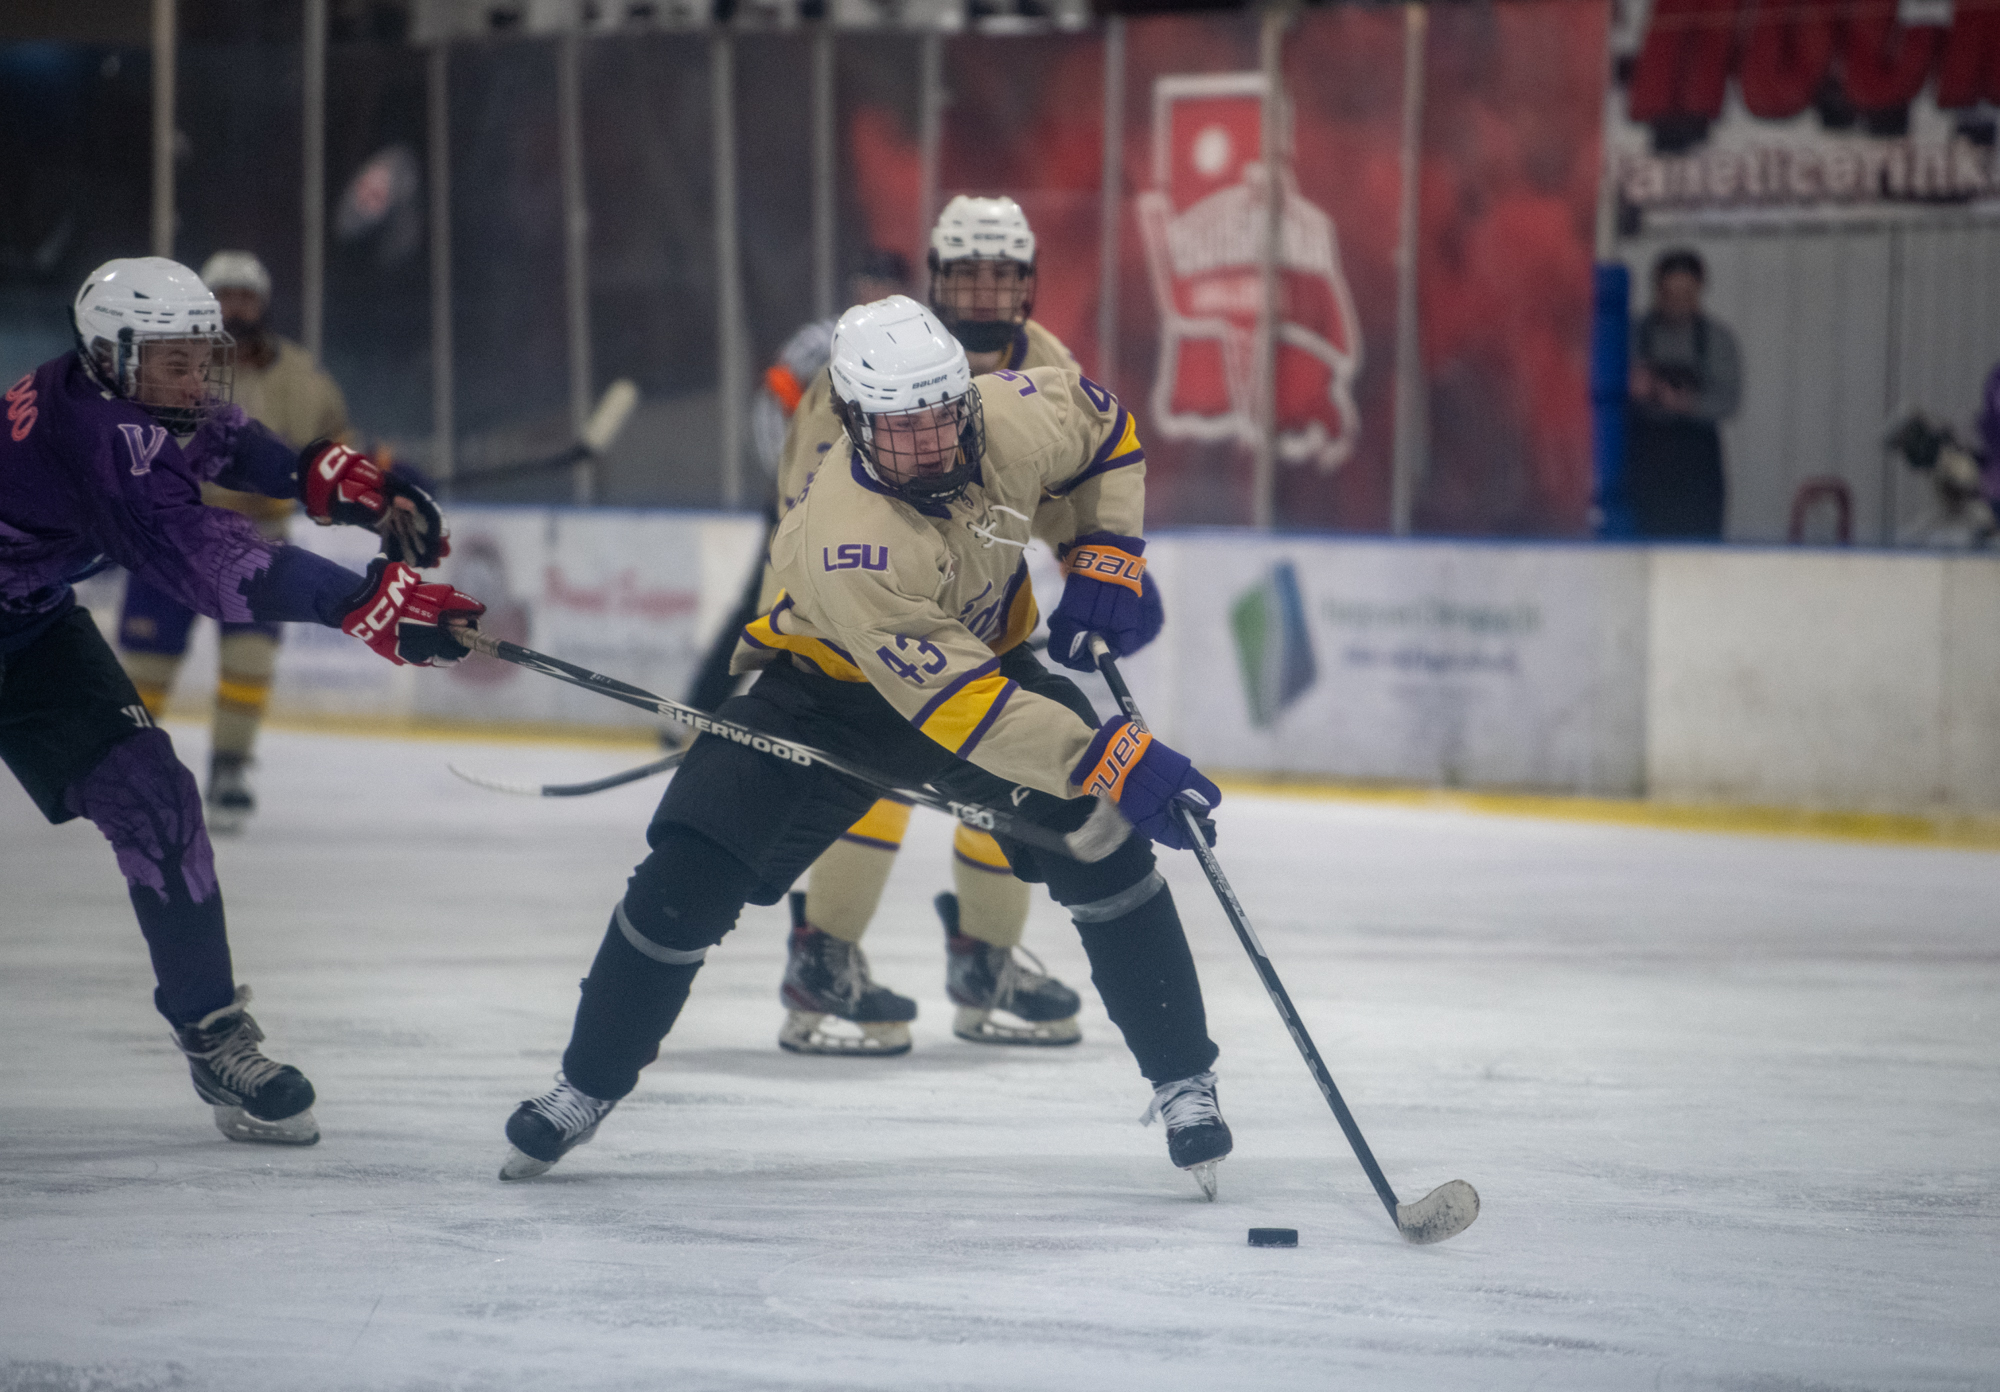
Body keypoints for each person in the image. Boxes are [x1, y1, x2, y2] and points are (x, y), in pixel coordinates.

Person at [499, 296, 1233, 1198]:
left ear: (967, 398)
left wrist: (1110, 552)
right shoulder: (849, 540)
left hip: (989, 668)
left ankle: (1183, 1080)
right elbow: (966, 713)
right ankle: (585, 1085)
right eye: (901, 430)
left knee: (1107, 854)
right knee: (685, 870)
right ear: (849, 421)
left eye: (942, 419)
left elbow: (1108, 429)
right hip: (832, 699)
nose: (930, 446)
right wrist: (1104, 756)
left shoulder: (1009, 414)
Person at [1, 257, 484, 1146]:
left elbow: (223, 440)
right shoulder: (104, 436)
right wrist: (364, 603)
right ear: (114, 356)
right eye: (174, 363)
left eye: (199, 358)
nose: (196, 381)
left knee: (155, 801)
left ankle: (212, 1031)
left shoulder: (130, 391)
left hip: (23, 627)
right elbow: (210, 560)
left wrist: (343, 485)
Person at [768, 196, 1115, 1057]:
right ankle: (824, 957)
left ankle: (985, 960)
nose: (985, 292)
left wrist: (1097, 557)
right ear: (937, 277)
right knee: (871, 777)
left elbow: (1078, 472)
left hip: (981, 602)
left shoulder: (1046, 361)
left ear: (1028, 283)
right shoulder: (873, 363)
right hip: (866, 607)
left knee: (1008, 768)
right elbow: (813, 496)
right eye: (967, 274)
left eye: (1002, 275)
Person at [115, 250, 352, 831]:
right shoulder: (166, 359)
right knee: (146, 669)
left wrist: (351, 481)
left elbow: (335, 446)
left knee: (248, 663)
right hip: (169, 535)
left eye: (246, 296)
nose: (236, 306)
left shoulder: (302, 374)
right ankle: (124, 772)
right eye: (225, 293)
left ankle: (229, 769)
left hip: (256, 542)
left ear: (263, 303)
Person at [1627, 247, 1742, 539]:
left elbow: (1729, 401)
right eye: (1670, 293)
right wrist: (1631, 390)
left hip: (1696, 466)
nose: (1678, 302)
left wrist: (1687, 404)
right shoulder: (1633, 334)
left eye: (1686, 294)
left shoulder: (1718, 339)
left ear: (1700, 290)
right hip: (1645, 462)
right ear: (1657, 290)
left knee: (1698, 551)